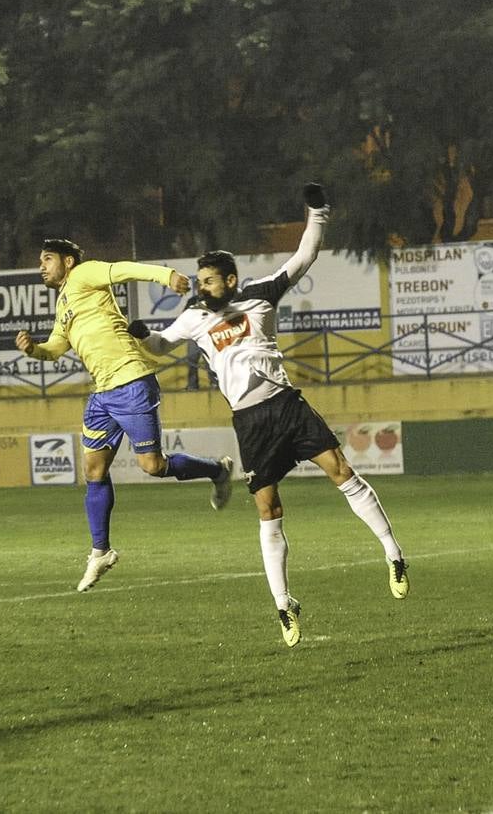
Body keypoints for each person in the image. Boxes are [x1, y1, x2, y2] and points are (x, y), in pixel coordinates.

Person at [135, 183, 409, 647]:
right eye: (199, 281)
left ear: (230, 281)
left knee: (341, 471)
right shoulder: (194, 317)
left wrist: (318, 212)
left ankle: (394, 553)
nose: (201, 287)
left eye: (208, 281)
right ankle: (284, 605)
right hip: (249, 422)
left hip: (286, 406)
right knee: (269, 509)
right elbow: (160, 346)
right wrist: (142, 333)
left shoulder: (261, 295)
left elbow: (304, 256)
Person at [15, 239, 234, 593]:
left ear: (67, 261)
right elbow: (55, 348)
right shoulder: (63, 305)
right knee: (93, 470)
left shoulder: (85, 274)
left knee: (152, 466)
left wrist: (166, 276)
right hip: (102, 392)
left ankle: (217, 470)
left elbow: (123, 270)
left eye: (47, 259)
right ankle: (100, 550)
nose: (41, 266)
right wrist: (34, 350)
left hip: (131, 380)